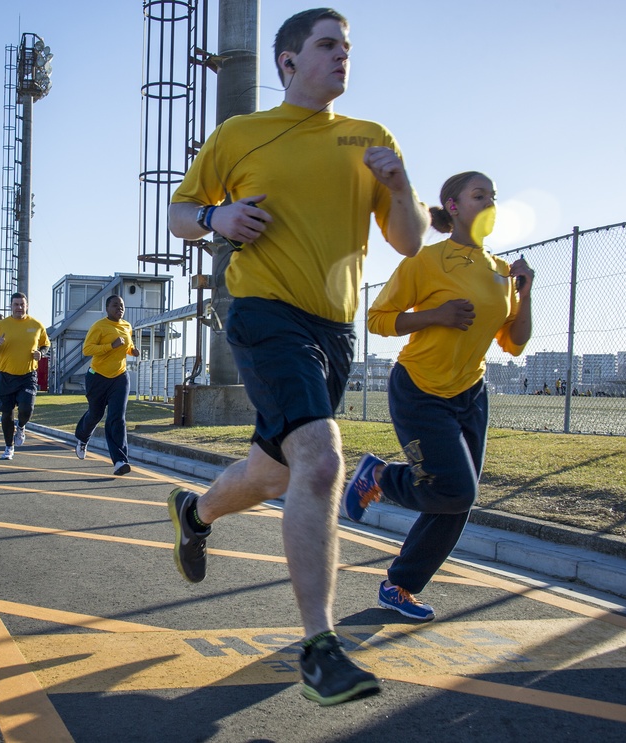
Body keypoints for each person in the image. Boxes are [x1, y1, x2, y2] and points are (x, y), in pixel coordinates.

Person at [165, 7, 428, 706]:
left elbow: (408, 241)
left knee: (273, 469)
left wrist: (400, 187)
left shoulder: (368, 138)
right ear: (287, 62)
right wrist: (216, 218)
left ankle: (194, 514)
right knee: (321, 457)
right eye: (327, 45)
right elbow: (181, 210)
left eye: (347, 46)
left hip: (334, 330)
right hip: (262, 312)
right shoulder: (240, 134)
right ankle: (319, 646)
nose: (343, 56)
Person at [343, 171, 533, 622]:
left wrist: (524, 292)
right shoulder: (427, 261)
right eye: (479, 194)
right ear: (452, 205)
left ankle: (400, 586)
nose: (490, 201)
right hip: (420, 388)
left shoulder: (501, 271)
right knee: (456, 489)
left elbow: (516, 343)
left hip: (471, 393)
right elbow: (378, 318)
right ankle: (382, 477)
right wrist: (437, 315)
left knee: (458, 499)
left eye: (493, 195)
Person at [74, 295, 141, 475]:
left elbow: (127, 345)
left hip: (120, 377)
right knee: (96, 414)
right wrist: (110, 346)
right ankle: (82, 437)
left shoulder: (127, 326)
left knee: (117, 417)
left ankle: (120, 461)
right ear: (107, 308)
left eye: (121, 305)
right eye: (115, 305)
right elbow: (87, 349)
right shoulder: (99, 326)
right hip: (97, 376)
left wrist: (132, 351)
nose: (119, 308)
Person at [0, 293, 49, 460]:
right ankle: (8, 447)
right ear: (11, 306)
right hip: (5, 376)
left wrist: (41, 353)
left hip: (27, 375)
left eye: (22, 304)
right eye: (16, 304)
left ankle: (22, 425)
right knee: (7, 414)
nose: (19, 307)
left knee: (27, 408)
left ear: (27, 306)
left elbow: (46, 344)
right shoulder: (1, 325)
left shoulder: (36, 325)